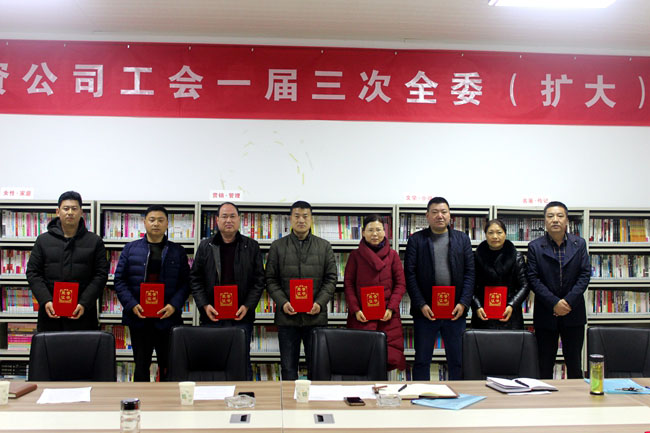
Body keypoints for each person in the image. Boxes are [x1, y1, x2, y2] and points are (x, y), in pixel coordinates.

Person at [113, 205, 190, 382]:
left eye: (160, 220)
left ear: (167, 224)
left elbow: (186, 283)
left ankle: (168, 399)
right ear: (144, 222)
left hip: (167, 318)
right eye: (152, 220)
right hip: (139, 318)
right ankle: (142, 397)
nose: (156, 224)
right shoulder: (130, 249)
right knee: (141, 366)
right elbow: (119, 280)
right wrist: (132, 305)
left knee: (168, 366)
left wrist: (173, 305)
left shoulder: (177, 251)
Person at [190, 202, 264, 380]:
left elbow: (259, 281)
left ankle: (243, 395)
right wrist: (204, 305)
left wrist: (247, 306)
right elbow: (195, 279)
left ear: (239, 219)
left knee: (241, 360)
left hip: (241, 316)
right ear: (217, 220)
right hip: (212, 316)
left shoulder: (251, 246)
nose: (228, 220)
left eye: (232, 216)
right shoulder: (205, 246)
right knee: (213, 360)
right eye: (224, 216)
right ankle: (214, 396)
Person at [265, 200, 337, 380]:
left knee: (317, 368)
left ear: (311, 219)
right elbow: (270, 279)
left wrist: (319, 303)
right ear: (290, 219)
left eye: (305, 216)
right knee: (288, 368)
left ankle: (315, 399)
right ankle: (290, 399)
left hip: (315, 317)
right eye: (297, 216)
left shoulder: (324, 246)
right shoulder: (277, 246)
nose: (301, 220)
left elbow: (331, 279)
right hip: (287, 318)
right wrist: (283, 303)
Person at [404, 197, 474, 380]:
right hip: (425, 312)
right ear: (427, 216)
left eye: (444, 212)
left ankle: (457, 395)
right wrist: (421, 304)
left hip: (455, 311)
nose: (439, 216)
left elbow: (470, 273)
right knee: (421, 360)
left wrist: (463, 303)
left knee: (457, 361)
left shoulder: (462, 239)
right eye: (434, 212)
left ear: (450, 215)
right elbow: (410, 275)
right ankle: (420, 394)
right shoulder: (416, 240)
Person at [26, 191, 109, 332]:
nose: (70, 212)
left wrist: (84, 303)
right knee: (51, 346)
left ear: (81, 212)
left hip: (83, 313)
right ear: (58, 212)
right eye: (66, 208)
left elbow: (101, 275)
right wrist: (46, 300)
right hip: (50, 314)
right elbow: (33, 273)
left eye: (74, 208)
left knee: (82, 347)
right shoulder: (43, 240)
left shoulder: (94, 241)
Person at [527, 201, 590, 379]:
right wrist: (554, 303)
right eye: (550, 216)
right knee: (544, 364)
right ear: (545, 221)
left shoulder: (579, 244)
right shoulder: (535, 246)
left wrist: (567, 302)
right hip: (546, 313)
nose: (555, 220)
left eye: (560, 216)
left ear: (567, 220)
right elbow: (533, 279)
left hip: (573, 311)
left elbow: (584, 275)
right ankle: (544, 396)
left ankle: (575, 397)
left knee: (575, 364)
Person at [344, 214, 406, 371]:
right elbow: (348, 285)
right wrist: (356, 310)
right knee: (362, 360)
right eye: (370, 230)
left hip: (387, 316)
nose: (375, 234)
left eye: (378, 229)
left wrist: (391, 308)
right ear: (363, 232)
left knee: (385, 360)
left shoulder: (393, 256)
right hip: (362, 316)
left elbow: (400, 284)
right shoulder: (355, 256)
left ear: (385, 232)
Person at [471, 219, 530, 330]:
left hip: (510, 313)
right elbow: (470, 285)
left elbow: (525, 285)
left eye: (499, 232)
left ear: (505, 234)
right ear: (485, 235)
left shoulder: (516, 257)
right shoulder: (476, 257)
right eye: (490, 232)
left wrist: (512, 305)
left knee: (510, 341)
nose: (495, 236)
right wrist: (477, 306)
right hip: (483, 312)